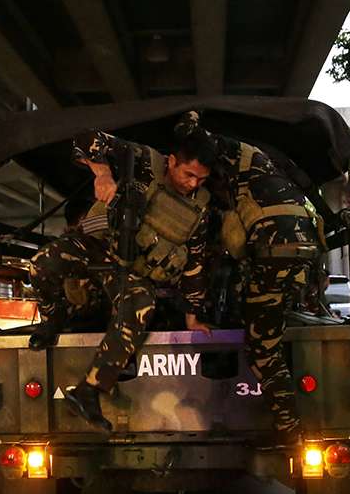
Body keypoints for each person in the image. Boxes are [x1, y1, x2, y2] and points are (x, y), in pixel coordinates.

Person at [28, 128, 216, 434]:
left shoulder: (199, 208)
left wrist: (192, 316)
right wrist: (103, 174)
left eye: (202, 179)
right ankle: (54, 318)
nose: (193, 184)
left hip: (129, 268)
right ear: (172, 161)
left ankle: (89, 392)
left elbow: (195, 263)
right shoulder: (145, 161)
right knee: (41, 263)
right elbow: (86, 137)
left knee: (141, 304)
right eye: (189, 174)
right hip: (96, 245)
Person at [175, 111, 324, 447]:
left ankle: (290, 432)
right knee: (262, 330)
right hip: (299, 252)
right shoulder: (257, 164)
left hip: (277, 252)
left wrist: (194, 114)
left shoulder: (220, 148)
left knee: (261, 349)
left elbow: (187, 133)